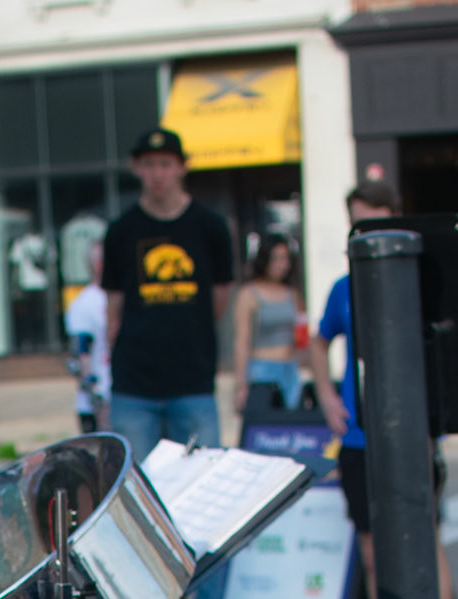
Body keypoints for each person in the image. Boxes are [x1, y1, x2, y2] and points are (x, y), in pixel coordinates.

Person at [308, 178, 458, 599]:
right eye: (355, 223)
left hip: (414, 434)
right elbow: (319, 341)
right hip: (360, 436)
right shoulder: (346, 286)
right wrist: (327, 396)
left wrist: (445, 391)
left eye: (370, 221)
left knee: (425, 544)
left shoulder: (423, 276)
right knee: (373, 551)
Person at [102, 126, 234, 462]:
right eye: (148, 164)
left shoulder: (210, 227)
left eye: (164, 163)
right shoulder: (121, 231)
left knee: (200, 481)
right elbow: (113, 306)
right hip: (134, 384)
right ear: (136, 168)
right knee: (135, 485)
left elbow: (220, 299)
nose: (157, 173)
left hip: (193, 379)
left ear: (181, 167)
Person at [232, 234, 304, 419]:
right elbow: (242, 340)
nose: (283, 265)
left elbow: (302, 331)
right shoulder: (249, 294)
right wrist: (241, 385)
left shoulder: (292, 293)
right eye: (277, 258)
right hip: (262, 369)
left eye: (286, 258)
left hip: (290, 369)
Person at [63, 242, 111, 435]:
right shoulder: (85, 304)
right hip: (100, 401)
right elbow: (80, 354)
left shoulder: (119, 298)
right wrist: (96, 398)